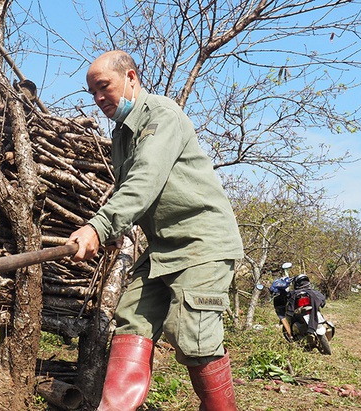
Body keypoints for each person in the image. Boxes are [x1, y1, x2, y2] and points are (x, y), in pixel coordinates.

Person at [67, 51, 243, 411]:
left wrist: (98, 227)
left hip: (202, 243)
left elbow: (145, 180)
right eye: (93, 93)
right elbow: (130, 191)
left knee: (192, 335)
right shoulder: (121, 134)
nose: (99, 98)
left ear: (130, 77)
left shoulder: (162, 114)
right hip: (163, 248)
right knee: (132, 320)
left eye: (104, 87)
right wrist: (109, 229)